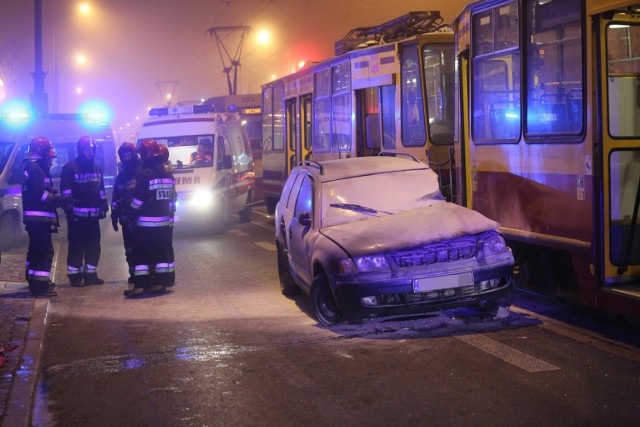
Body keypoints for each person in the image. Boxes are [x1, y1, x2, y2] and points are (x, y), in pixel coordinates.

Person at [126, 139, 176, 297]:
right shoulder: (168, 173)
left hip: (146, 224)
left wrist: (131, 214)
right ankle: (160, 283)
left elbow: (138, 199)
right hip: (164, 223)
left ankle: (140, 286)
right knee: (161, 254)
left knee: (141, 254)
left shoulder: (145, 173)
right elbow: (172, 198)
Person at [60, 135, 109, 287]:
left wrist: (103, 203)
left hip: (93, 217)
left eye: (92, 150)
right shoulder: (70, 168)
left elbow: (100, 189)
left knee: (94, 246)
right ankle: (75, 277)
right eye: (87, 150)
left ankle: (91, 275)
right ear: (80, 150)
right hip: (77, 218)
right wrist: (69, 211)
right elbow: (66, 192)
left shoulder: (97, 168)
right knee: (76, 247)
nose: (90, 152)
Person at [21, 136, 60, 296]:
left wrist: (51, 192)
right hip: (39, 217)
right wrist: (55, 200)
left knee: (35, 250)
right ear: (42, 153)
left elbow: (37, 189)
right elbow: (37, 193)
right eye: (49, 158)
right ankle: (40, 286)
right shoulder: (36, 169)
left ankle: (33, 279)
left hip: (35, 218)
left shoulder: (31, 167)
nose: (51, 162)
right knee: (44, 251)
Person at [111, 142, 142, 283]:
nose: (127, 158)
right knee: (129, 248)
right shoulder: (121, 176)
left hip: (140, 218)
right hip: (125, 217)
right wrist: (114, 215)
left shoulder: (142, 171)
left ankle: (145, 274)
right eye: (124, 155)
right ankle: (134, 273)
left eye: (129, 154)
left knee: (141, 246)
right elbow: (116, 197)